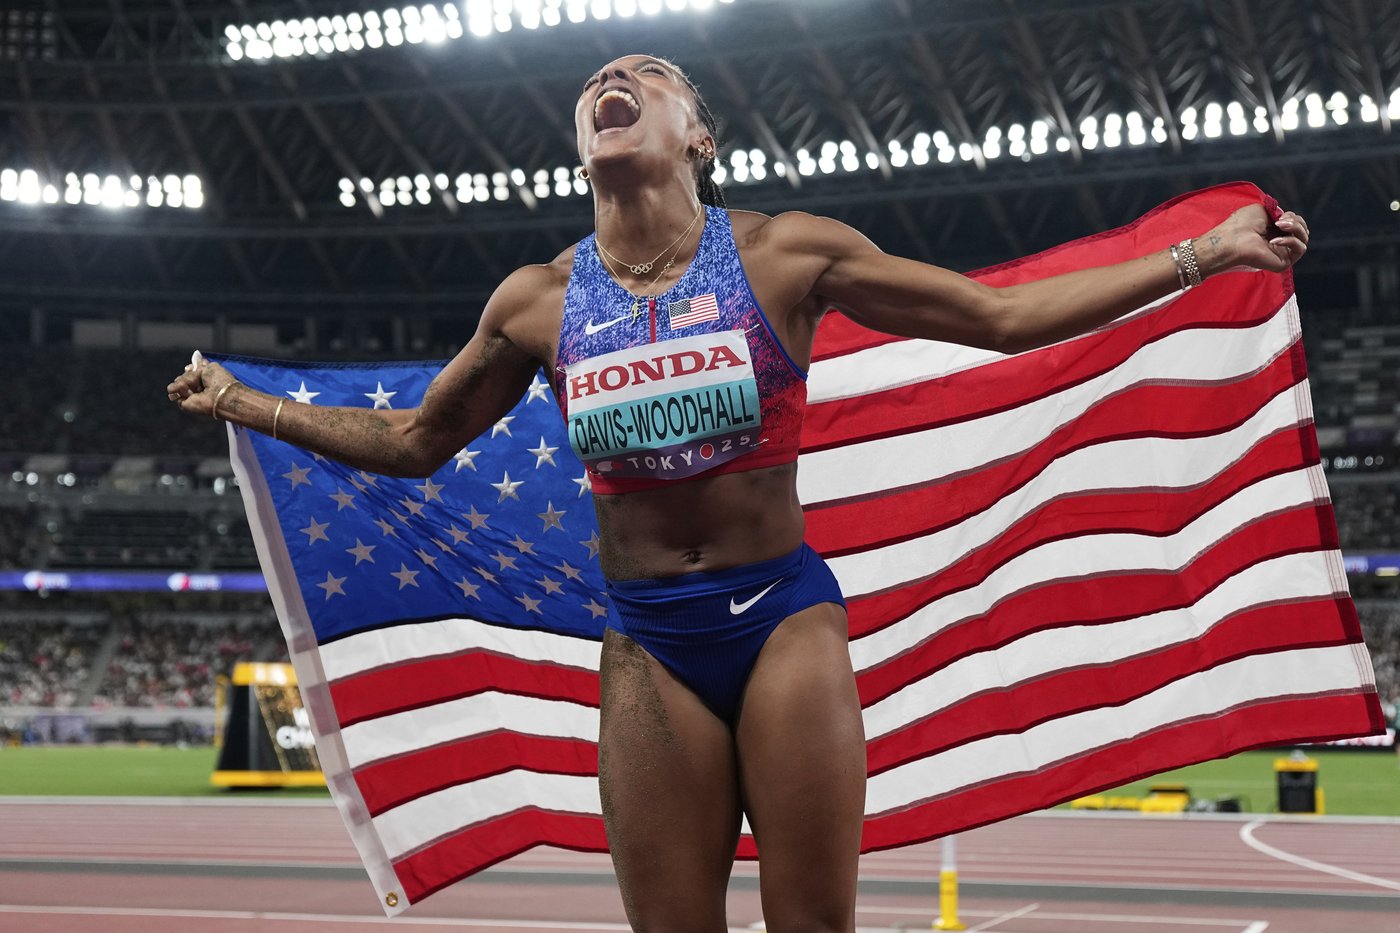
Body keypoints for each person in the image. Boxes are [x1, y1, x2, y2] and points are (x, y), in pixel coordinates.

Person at [167, 54, 1310, 933]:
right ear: (581, 143)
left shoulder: (783, 255)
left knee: (811, 923)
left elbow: (996, 319)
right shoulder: (533, 301)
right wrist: (251, 406)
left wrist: (1200, 258)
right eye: (595, 83)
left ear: (696, 136)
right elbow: (420, 438)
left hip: (781, 621)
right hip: (650, 643)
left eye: (646, 78)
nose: (612, 81)